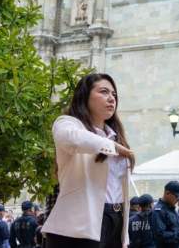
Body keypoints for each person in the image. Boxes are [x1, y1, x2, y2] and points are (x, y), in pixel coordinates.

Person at [41, 73, 136, 248]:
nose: (111, 99)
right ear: (85, 96)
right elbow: (72, 138)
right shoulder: (67, 124)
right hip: (79, 225)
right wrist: (112, 146)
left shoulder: (115, 136)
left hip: (115, 219)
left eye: (114, 95)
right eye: (104, 92)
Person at [150, 181, 179, 248]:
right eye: (176, 196)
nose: (178, 199)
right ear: (167, 193)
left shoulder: (171, 209)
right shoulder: (158, 211)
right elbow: (160, 235)